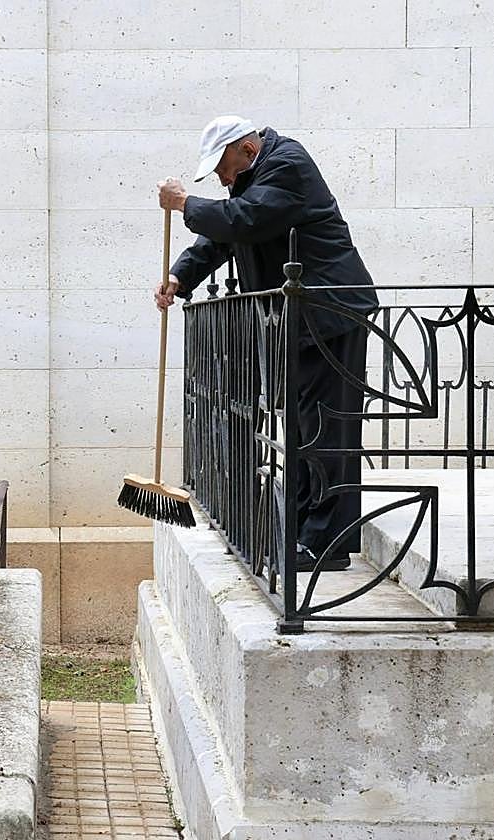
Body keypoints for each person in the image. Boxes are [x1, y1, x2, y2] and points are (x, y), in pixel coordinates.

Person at [155, 115, 379, 573]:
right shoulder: (256, 176)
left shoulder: (288, 164)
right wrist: (180, 276)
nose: (220, 178)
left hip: (329, 314)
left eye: (222, 167)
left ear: (247, 150)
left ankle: (326, 544)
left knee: (326, 430)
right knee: (302, 429)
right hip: (301, 319)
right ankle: (299, 535)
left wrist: (184, 203)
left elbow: (246, 220)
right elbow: (224, 237)